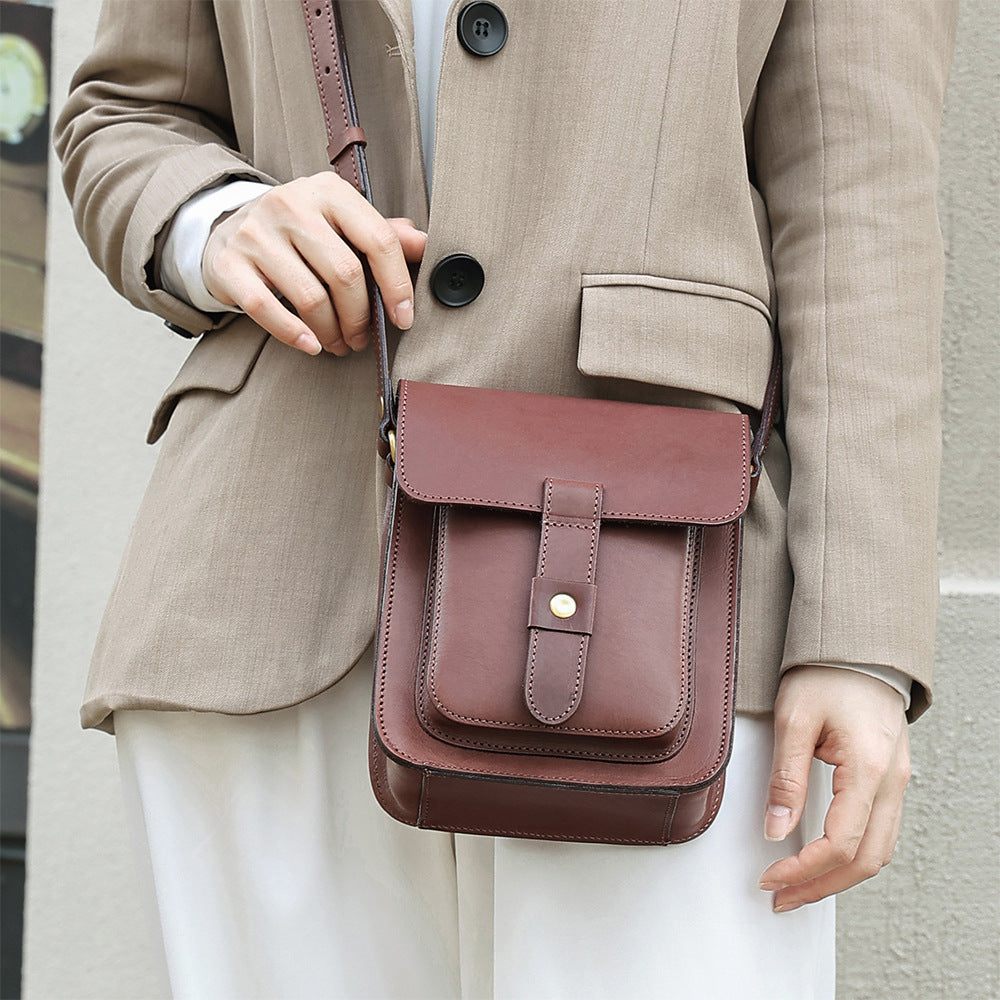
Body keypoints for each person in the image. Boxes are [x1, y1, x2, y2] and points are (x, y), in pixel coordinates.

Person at [55, 1, 956, 997]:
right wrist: (215, 220)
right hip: (268, 592)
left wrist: (856, 637)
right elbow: (128, 111)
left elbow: (858, 201)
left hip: (664, 608)